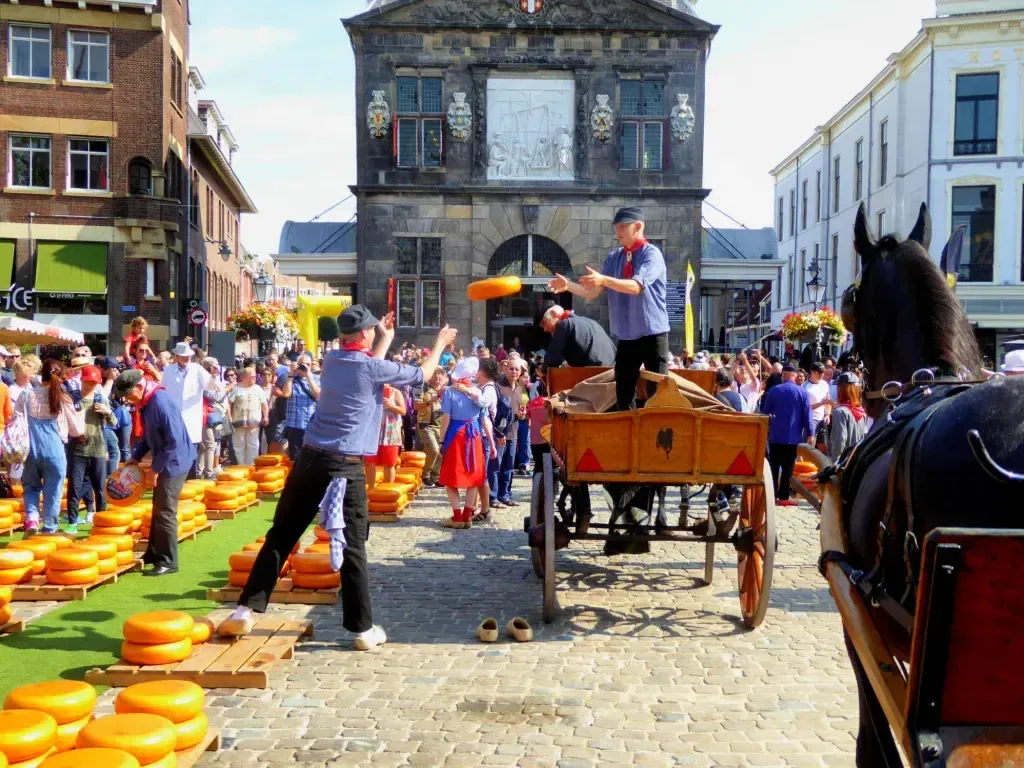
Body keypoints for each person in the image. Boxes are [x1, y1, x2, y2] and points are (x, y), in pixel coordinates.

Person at [218, 305, 457, 650]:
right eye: (372, 330)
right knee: (354, 546)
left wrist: (385, 340)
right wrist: (440, 343)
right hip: (344, 465)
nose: (375, 333)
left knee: (281, 534)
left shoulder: (332, 361)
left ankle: (244, 610)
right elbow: (421, 375)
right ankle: (362, 629)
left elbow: (367, 366)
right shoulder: (371, 366)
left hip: (310, 459)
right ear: (363, 335)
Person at [548, 207, 669, 411]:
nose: (618, 231)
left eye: (623, 227)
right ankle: (628, 437)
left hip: (653, 333)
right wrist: (568, 285)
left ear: (638, 227)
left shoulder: (652, 254)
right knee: (623, 394)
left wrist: (604, 279)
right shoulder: (614, 257)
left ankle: (655, 438)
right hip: (627, 336)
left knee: (656, 394)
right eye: (617, 227)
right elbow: (592, 292)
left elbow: (635, 286)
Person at [116, 368, 195, 576]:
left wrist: (155, 470)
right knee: (158, 507)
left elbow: (173, 441)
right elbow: (148, 436)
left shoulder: (160, 402)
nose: (127, 400)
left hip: (175, 461)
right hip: (166, 458)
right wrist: (137, 455)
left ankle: (169, 561)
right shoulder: (146, 401)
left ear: (140, 387)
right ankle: (153, 553)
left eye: (129, 395)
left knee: (165, 511)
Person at [17, 360, 84, 533]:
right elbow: (76, 430)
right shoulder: (63, 398)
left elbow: (15, 421)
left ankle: (31, 519)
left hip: (30, 449)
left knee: (30, 487)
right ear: (60, 377)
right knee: (53, 490)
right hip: (54, 450)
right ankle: (49, 526)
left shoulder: (26, 395)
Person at [438, 357, 492, 529]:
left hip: (456, 435)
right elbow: (484, 419)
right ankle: (467, 516)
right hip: (474, 436)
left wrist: (441, 440)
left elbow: (445, 419)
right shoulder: (477, 392)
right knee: (473, 478)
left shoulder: (449, 392)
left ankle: (457, 517)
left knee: (451, 478)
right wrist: (490, 440)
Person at [65, 365, 116, 533]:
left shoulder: (101, 398)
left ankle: (101, 521)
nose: (89, 385)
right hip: (77, 449)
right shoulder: (72, 398)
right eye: (87, 381)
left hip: (98, 448)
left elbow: (115, 423)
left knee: (100, 488)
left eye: (93, 383)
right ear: (81, 380)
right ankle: (72, 522)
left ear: (98, 383)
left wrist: (107, 412)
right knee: (75, 486)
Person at [161, 342, 217, 479]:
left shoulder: (197, 369)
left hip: (192, 416)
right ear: (177, 356)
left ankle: (191, 480)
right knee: (175, 449)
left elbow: (211, 386)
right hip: (174, 416)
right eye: (184, 357)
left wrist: (213, 377)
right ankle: (174, 479)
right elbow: (163, 390)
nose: (187, 359)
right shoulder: (168, 370)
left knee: (192, 451)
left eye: (189, 357)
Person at [761, 365, 812, 508]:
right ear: (795, 376)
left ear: (783, 375)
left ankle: (770, 495)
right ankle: (783, 496)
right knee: (788, 467)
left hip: (775, 435)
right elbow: (807, 415)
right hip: (793, 436)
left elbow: (765, 413)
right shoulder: (802, 392)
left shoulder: (774, 390)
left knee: (773, 466)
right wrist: (810, 433)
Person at [538, 302, 617, 371]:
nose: (545, 329)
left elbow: (551, 362)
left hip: (596, 376)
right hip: (614, 371)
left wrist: (543, 369)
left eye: (544, 323)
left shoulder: (564, 325)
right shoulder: (590, 322)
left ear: (554, 314)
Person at [275, 353, 320, 461]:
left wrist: (309, 377)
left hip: (311, 424)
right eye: (301, 364)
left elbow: (318, 395)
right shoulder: (290, 378)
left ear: (311, 365)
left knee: (311, 458)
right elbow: (286, 394)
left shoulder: (317, 378)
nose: (304, 366)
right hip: (294, 424)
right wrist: (291, 374)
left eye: (307, 364)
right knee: (295, 458)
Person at [228, 367, 268, 466]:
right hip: (238, 421)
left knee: (253, 445)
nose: (255, 378)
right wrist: (229, 416)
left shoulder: (258, 389)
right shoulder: (236, 388)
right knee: (239, 445)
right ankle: (241, 466)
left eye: (255, 376)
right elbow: (228, 403)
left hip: (254, 422)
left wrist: (266, 416)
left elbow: (264, 404)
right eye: (252, 377)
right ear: (245, 377)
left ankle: (251, 467)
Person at [367, 384, 405, 488]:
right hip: (373, 432)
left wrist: (391, 405)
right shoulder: (371, 391)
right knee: (369, 463)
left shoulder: (395, 392)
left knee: (389, 464)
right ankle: (371, 491)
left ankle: (388, 490)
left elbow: (403, 411)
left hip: (390, 433)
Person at [415, 368, 446, 487]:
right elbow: (416, 406)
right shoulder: (420, 387)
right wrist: (430, 401)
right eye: (435, 373)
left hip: (442, 424)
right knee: (433, 450)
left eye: (441, 374)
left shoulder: (445, 389)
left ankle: (436, 476)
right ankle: (425, 474)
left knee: (441, 451)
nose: (438, 376)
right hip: (426, 424)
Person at [827, 372, 868, 461]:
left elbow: (840, 440)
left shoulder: (840, 412)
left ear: (841, 389)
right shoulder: (861, 411)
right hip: (857, 460)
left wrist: (834, 463)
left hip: (843, 463)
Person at [803, 362, 832, 450]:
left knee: (823, 446)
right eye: (819, 372)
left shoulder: (824, 384)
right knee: (810, 445)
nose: (822, 375)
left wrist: (827, 414)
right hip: (811, 419)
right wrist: (821, 403)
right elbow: (806, 408)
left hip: (822, 419)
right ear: (812, 372)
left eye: (823, 372)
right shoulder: (805, 387)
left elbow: (828, 401)